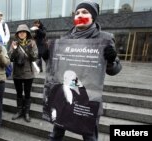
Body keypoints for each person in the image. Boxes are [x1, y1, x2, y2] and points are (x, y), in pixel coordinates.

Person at [47, 1, 122, 141]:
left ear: (93, 16)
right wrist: (48, 56)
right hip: (65, 94)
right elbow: (56, 68)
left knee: (89, 136)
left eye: (85, 12)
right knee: (57, 132)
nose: (80, 15)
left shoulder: (104, 38)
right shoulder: (65, 39)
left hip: (88, 98)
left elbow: (115, 69)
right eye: (77, 13)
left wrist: (111, 60)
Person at [8, 24, 38, 122]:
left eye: (24, 32)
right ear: (17, 34)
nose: (22, 33)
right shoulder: (14, 43)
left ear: (27, 33)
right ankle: (19, 111)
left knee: (28, 93)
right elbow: (10, 58)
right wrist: (15, 49)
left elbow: (34, 57)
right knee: (19, 93)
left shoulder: (32, 43)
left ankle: (27, 112)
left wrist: (29, 49)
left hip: (28, 73)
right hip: (17, 73)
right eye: (20, 32)